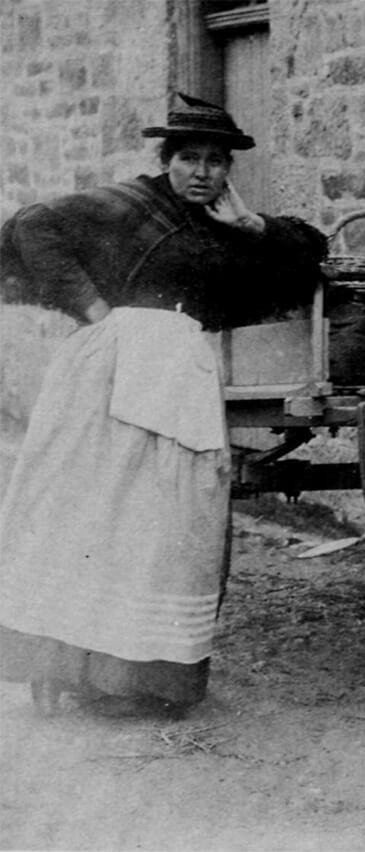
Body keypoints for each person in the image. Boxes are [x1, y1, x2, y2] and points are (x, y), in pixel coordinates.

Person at [0, 93, 327, 720]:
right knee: (94, 520)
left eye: (215, 161)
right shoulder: (129, 206)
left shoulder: (225, 223)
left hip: (179, 375)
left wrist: (251, 227)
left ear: (230, 168)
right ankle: (65, 671)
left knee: (168, 524)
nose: (202, 173)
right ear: (166, 160)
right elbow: (33, 224)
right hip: (111, 371)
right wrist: (96, 312)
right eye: (189, 159)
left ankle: (137, 680)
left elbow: (309, 250)